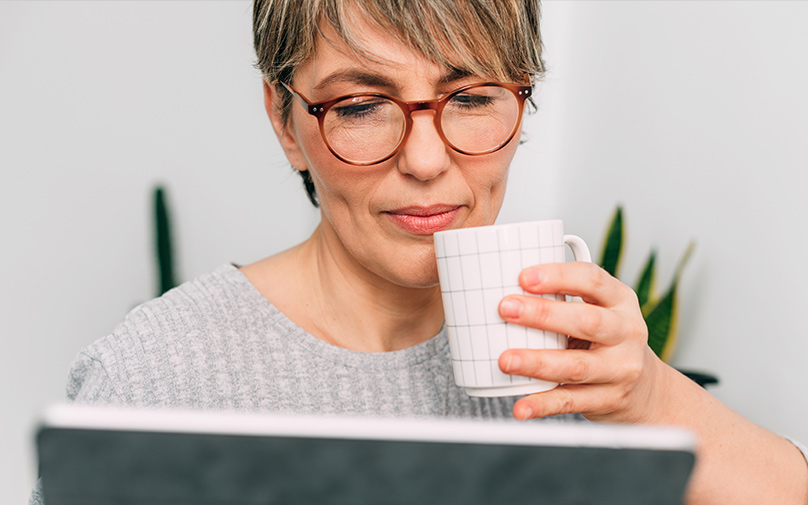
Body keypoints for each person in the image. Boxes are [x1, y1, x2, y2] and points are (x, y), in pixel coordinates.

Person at [30, 1, 808, 504]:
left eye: (471, 98)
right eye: (364, 105)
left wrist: (652, 397)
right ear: (284, 118)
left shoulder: (579, 361)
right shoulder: (153, 373)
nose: (429, 160)